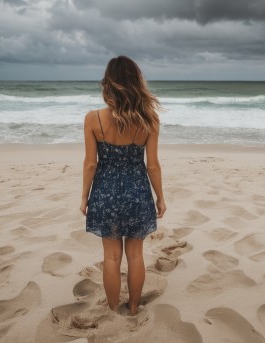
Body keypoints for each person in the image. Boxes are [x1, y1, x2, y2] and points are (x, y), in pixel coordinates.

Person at [80, 56, 166, 316]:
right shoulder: (149, 120)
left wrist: (84, 197)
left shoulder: (93, 119)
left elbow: (90, 164)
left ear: (109, 84)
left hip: (105, 192)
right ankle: (132, 308)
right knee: (136, 255)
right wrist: (160, 197)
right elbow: (152, 165)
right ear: (136, 83)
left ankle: (114, 308)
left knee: (111, 257)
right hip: (137, 192)